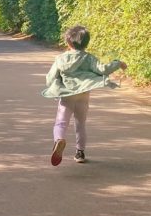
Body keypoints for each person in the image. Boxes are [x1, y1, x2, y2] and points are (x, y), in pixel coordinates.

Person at [41, 25, 126, 165]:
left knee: (61, 123)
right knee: (80, 124)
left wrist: (54, 87)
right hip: (83, 96)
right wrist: (118, 63)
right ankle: (80, 153)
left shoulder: (60, 59)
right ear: (86, 42)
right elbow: (103, 70)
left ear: (68, 42)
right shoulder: (89, 58)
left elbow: (50, 78)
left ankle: (59, 140)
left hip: (66, 96)